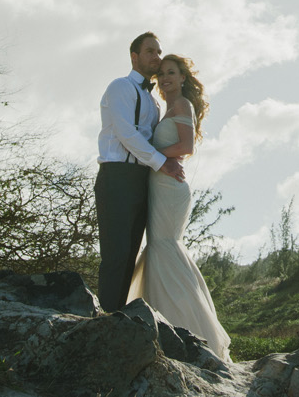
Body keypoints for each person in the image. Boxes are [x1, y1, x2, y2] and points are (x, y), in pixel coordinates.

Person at [127, 53, 232, 361]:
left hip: (170, 188)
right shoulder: (165, 108)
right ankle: (168, 327)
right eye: (161, 74)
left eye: (171, 72)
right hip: (159, 186)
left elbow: (186, 147)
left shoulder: (182, 104)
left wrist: (149, 152)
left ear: (183, 77)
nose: (166, 78)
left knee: (164, 246)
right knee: (160, 247)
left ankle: (191, 331)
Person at [95, 32, 185, 312]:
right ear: (134, 57)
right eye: (150, 52)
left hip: (142, 180)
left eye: (159, 52)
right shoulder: (120, 87)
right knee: (116, 255)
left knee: (132, 254)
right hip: (117, 177)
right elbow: (126, 135)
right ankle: (106, 321)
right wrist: (163, 162)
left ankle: (119, 318)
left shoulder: (154, 102)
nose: (156, 57)